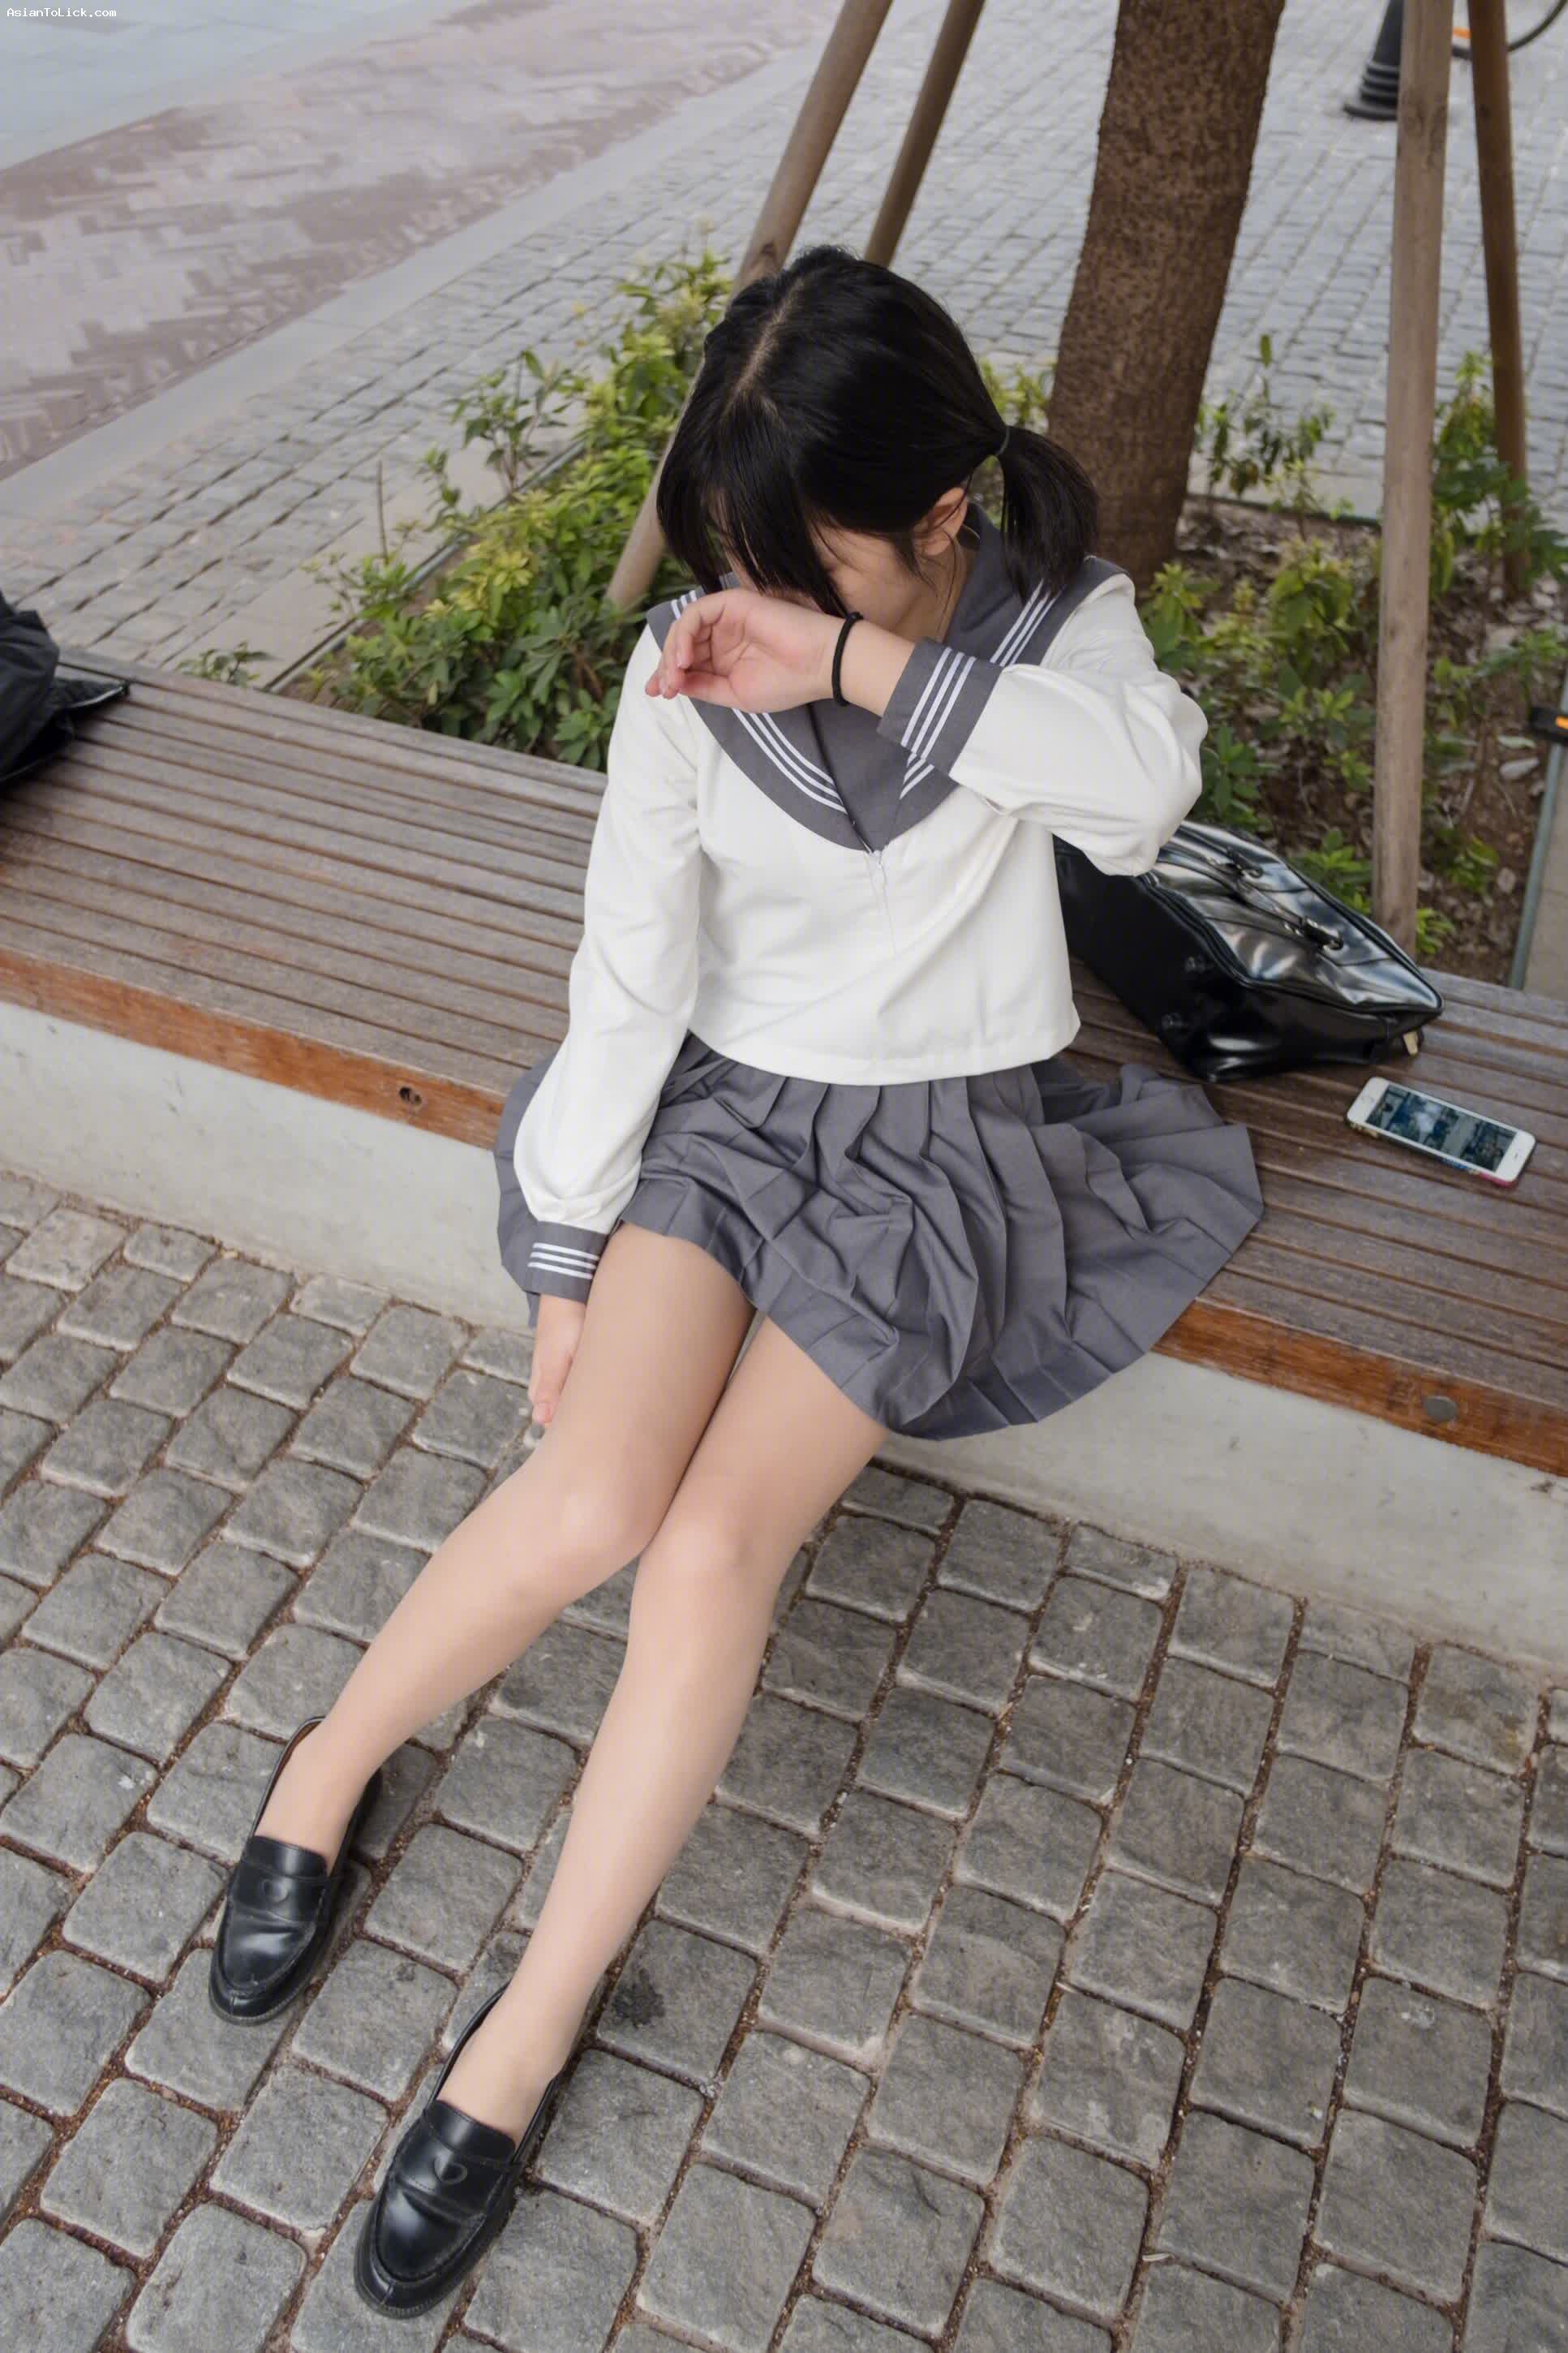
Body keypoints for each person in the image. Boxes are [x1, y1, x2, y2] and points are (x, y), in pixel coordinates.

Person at [207, 242, 1266, 2316]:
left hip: (940, 1152)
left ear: (939, 515)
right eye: (731, 554)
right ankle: (322, 1765)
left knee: (707, 1555)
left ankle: (527, 2033)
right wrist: (569, 1255)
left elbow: (1145, 797)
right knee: (593, 1494)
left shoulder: (1056, 621)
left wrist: (854, 664)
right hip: (725, 1112)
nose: (746, 603)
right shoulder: (689, 665)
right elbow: (631, 969)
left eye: (803, 562)